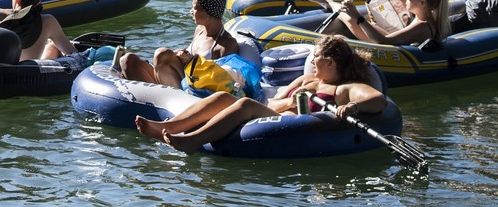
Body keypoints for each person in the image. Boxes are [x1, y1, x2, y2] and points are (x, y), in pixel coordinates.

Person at [135, 35, 384, 153]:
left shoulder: (342, 89)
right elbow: (274, 100)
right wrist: (289, 101)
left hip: (293, 125)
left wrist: (353, 107)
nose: (312, 61)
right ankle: (167, 127)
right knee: (224, 98)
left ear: (330, 62)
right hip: (271, 114)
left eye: (316, 57)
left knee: (244, 105)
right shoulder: (307, 79)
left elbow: (377, 99)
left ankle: (193, 140)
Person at [117, 0, 239, 88]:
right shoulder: (200, 30)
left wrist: (192, 61)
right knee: (127, 60)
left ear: (207, 12)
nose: (191, 11)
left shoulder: (227, 44)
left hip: (194, 90)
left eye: (194, 8)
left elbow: (226, 82)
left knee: (162, 54)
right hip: (176, 81)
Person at [306, 0, 451, 46]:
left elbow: (384, 41)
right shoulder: (425, 16)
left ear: (423, 2)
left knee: (349, 18)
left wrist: (358, 17)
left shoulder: (422, 26)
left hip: (383, 45)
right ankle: (328, 3)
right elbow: (409, 3)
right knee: (347, 18)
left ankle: (327, 2)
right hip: (386, 41)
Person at [0, 0, 77, 60]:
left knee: (51, 44)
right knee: (53, 45)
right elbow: (72, 53)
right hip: (30, 71)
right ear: (39, 1)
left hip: (4, 70)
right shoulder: (48, 21)